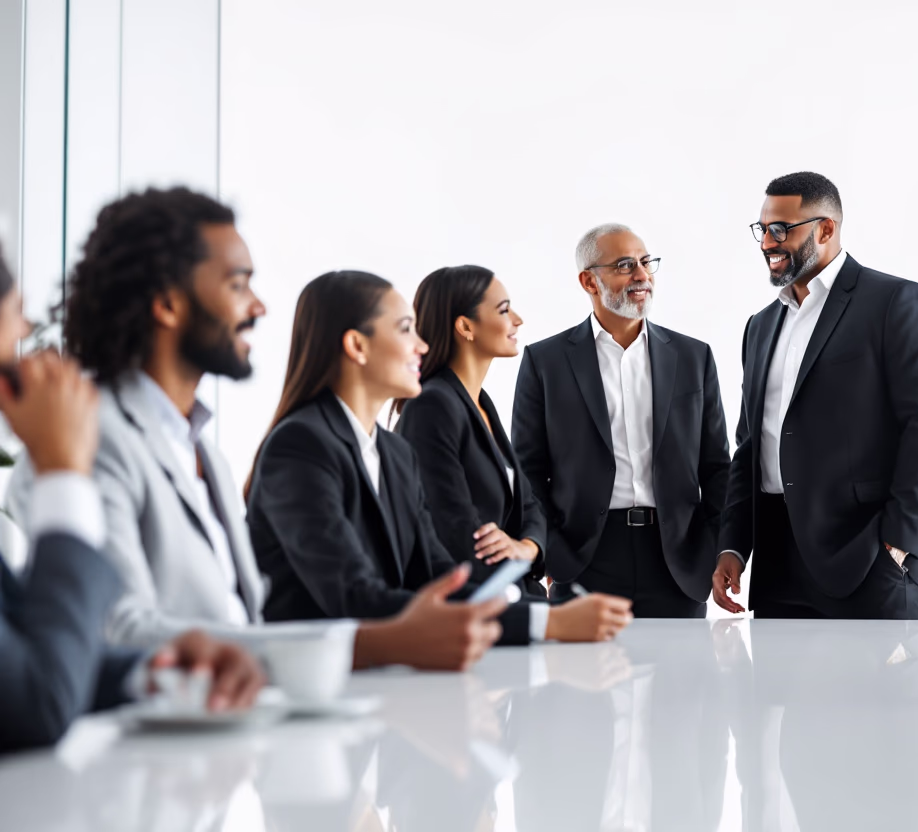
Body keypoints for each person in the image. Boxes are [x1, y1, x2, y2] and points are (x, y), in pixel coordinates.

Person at [5, 188, 504, 671]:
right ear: (169, 305)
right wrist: (377, 643)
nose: (259, 307)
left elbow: (249, 621)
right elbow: (117, 633)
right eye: (237, 285)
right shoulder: (89, 440)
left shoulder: (205, 454)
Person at [246, 270, 632, 644]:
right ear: (357, 346)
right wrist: (546, 622)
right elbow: (355, 595)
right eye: (405, 330)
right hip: (315, 679)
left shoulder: (394, 454)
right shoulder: (300, 446)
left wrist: (549, 612)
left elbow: (440, 578)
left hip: (391, 673)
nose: (422, 346)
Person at [0, 243, 263, 752]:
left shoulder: (208, 453)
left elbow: (28, 657)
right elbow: (37, 702)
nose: (26, 334)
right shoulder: (97, 438)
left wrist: (156, 670)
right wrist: (63, 474)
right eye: (14, 313)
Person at [713, 172, 918, 619]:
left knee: (877, 672)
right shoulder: (760, 326)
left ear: (825, 229)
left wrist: (899, 542)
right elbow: (750, 445)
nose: (767, 243)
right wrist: (733, 546)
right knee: (776, 672)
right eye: (762, 229)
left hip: (869, 557)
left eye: (780, 229)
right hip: (777, 565)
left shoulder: (895, 302)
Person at [512, 224, 732, 618]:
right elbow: (528, 471)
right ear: (589, 282)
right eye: (625, 265)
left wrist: (715, 547)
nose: (642, 275)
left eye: (646, 262)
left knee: (681, 662)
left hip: (678, 561)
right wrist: (551, 549)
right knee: (583, 661)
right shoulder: (545, 362)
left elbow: (717, 467)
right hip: (584, 559)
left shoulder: (693, 357)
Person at [395, 266, 545, 597]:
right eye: (504, 310)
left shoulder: (481, 403)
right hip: (474, 601)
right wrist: (521, 595)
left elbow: (529, 506)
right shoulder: (433, 406)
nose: (517, 320)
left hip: (511, 592)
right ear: (465, 327)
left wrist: (527, 547)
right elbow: (454, 530)